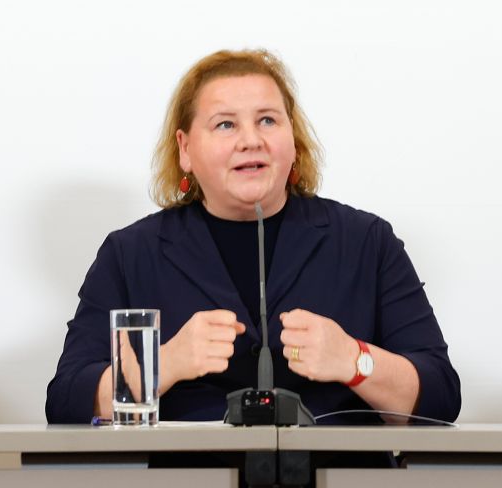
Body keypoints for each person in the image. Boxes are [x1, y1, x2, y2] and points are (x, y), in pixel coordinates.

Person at [46, 49, 459, 424]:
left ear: (292, 142)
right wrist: (164, 364)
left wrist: (355, 360)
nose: (251, 140)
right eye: (225, 124)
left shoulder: (367, 242)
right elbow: (66, 402)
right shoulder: (130, 254)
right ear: (185, 149)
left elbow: (440, 397)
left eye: (267, 120)